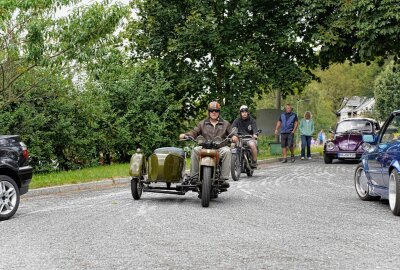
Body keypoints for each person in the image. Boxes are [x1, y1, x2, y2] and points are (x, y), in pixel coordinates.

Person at [179, 101, 238, 188]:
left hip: (219, 148)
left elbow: (232, 133)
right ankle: (194, 177)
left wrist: (235, 137)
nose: (214, 112)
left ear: (219, 112)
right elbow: (194, 132)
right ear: (209, 112)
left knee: (227, 151)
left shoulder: (225, 124)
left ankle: (223, 179)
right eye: (211, 110)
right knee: (195, 150)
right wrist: (186, 135)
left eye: (216, 111)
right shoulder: (202, 123)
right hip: (204, 148)